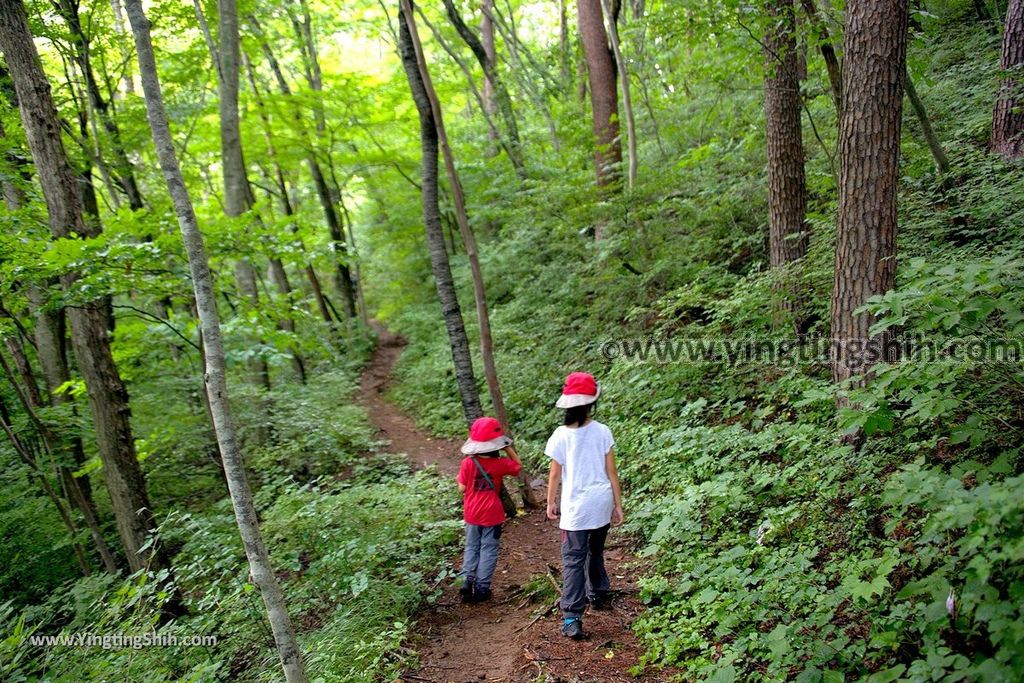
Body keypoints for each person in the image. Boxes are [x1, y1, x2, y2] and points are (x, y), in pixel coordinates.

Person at [545, 372, 624, 640]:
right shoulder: (603, 431)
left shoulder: (560, 435)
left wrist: (550, 502)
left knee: (572, 559)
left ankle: (572, 617)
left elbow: (555, 474)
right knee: (595, 551)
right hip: (600, 502)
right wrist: (618, 504)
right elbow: (612, 472)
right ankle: (598, 593)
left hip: (576, 508)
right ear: (592, 403)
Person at [456, 416, 522, 603]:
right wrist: (507, 447)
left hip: (471, 512)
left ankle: (466, 581)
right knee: (488, 549)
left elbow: (461, 488)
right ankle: (482, 589)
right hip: (492, 514)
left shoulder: (468, 463)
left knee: (471, 547)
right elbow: (518, 466)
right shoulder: (500, 463)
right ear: (496, 444)